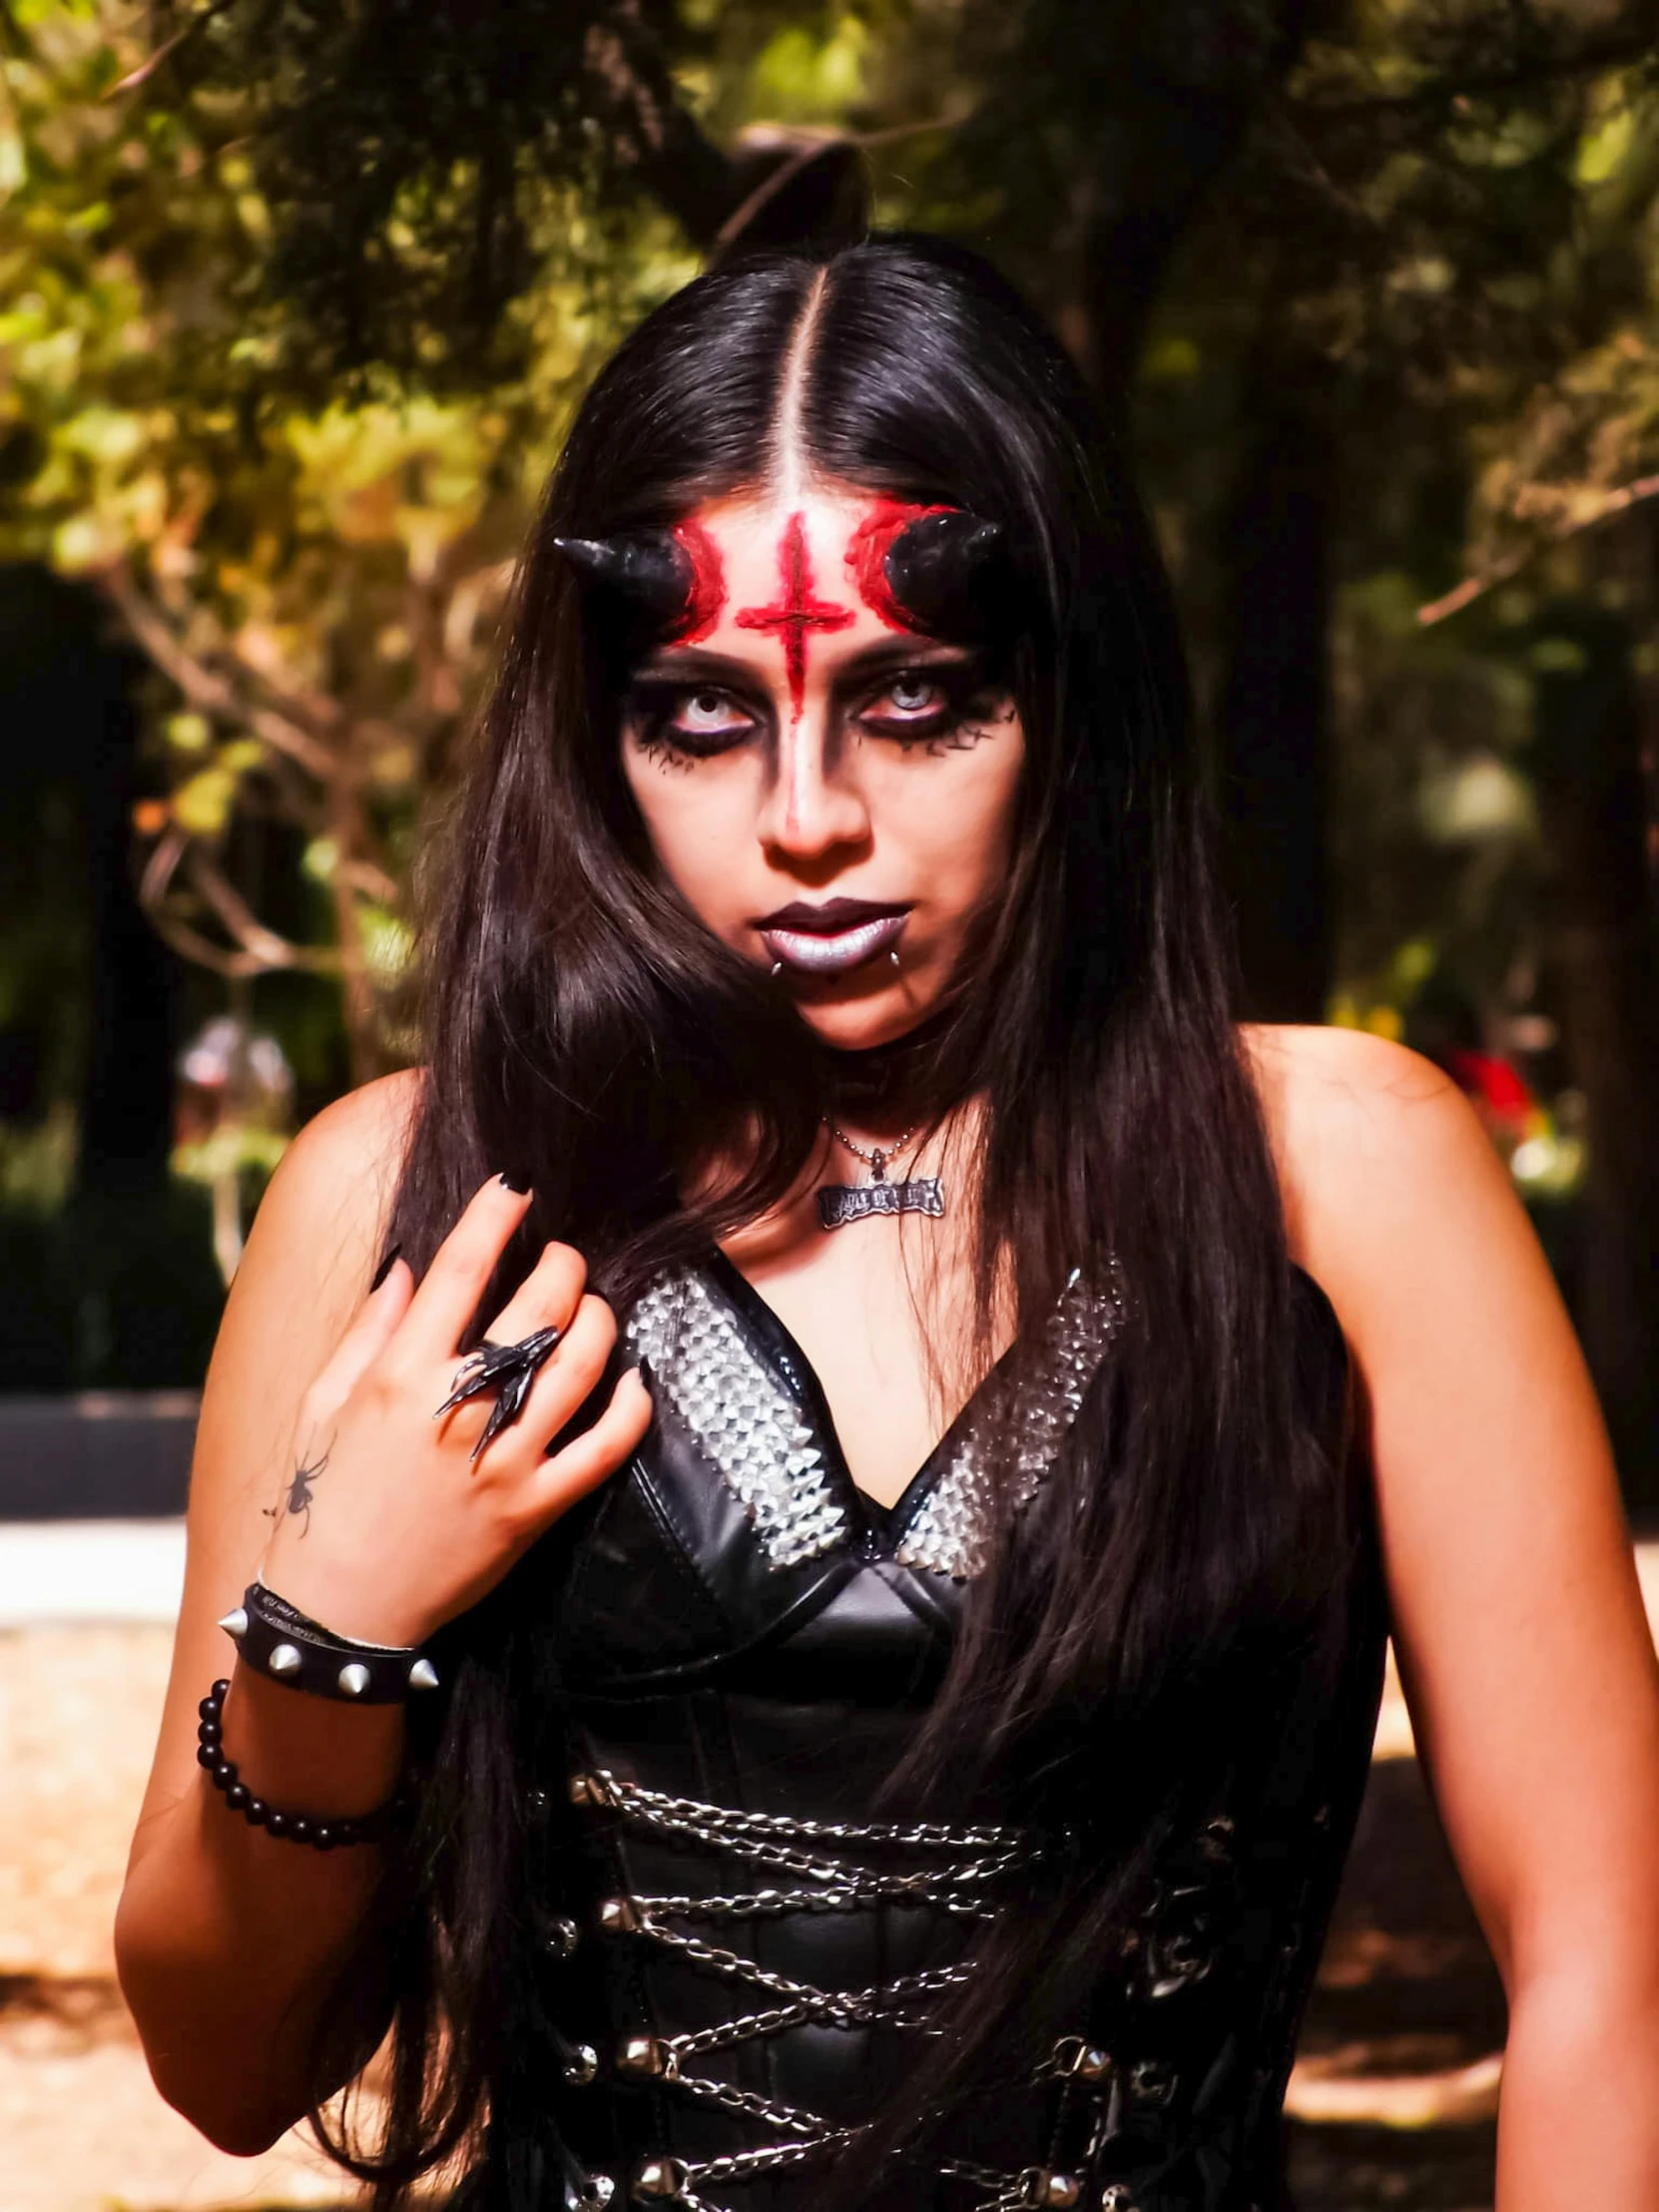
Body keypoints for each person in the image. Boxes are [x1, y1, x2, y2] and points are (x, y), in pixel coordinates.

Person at [116, 237, 1659, 2212]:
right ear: (600, 740)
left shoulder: (1343, 1177)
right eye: (699, 714)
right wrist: (337, 1633)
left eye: (917, 700)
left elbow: (1607, 1957)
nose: (807, 817)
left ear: (1070, 709)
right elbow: (223, 2067)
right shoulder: (403, 1209)